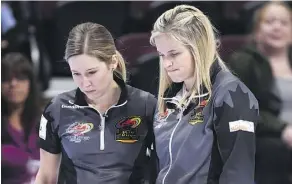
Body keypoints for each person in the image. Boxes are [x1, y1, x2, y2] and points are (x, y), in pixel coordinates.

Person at [35, 22, 157, 184]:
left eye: (92, 72)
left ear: (113, 62)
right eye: (76, 73)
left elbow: (163, 168)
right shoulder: (57, 109)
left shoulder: (146, 105)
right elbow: (46, 177)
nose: (85, 83)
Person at [150, 4, 259, 184]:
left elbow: (238, 174)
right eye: (162, 55)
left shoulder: (232, 94)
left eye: (174, 54)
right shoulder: (169, 97)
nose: (167, 64)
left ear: (199, 47)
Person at [227, 2, 292, 184]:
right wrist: (282, 129)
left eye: (284, 22)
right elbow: (241, 110)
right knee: (273, 149)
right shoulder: (243, 62)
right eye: (269, 22)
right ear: (257, 30)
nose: (277, 27)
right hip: (264, 136)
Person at [1, 52, 43, 184]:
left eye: (20, 78)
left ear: (30, 84)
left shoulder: (46, 122)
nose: (13, 84)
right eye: (6, 79)